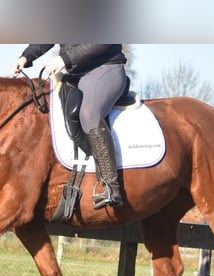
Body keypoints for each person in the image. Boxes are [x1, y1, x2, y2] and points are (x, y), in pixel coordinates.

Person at [12, 44, 128, 209]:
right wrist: (26, 56)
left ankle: (111, 187)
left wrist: (64, 59)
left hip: (105, 69)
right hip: (74, 76)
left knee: (89, 114)